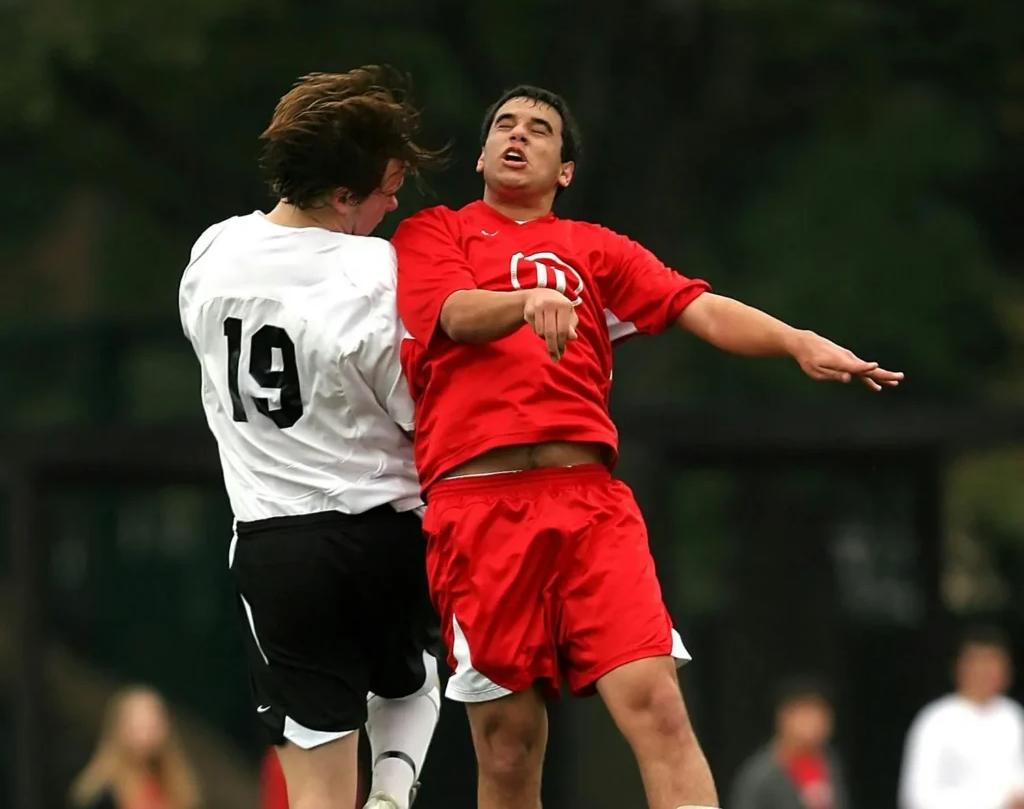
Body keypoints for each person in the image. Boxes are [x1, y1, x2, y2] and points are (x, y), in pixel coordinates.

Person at [391, 84, 904, 809]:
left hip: (589, 507)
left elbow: (701, 307)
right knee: (507, 748)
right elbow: (456, 313)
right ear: (479, 154)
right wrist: (525, 303)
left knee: (659, 706)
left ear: (564, 170)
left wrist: (796, 341)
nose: (518, 135)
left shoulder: (594, 249)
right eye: (504, 124)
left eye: (540, 129)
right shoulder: (433, 232)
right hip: (479, 510)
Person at [178, 67, 446, 809]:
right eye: (387, 190)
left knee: (316, 787)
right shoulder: (374, 272)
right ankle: (392, 794)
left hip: (277, 551)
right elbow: (415, 410)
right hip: (387, 533)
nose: (395, 205)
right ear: (341, 198)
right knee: (418, 677)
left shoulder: (211, 255)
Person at [898, 624, 1024, 809]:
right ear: (961, 667)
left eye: (995, 663)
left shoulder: (1014, 716)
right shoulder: (936, 721)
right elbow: (917, 797)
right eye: (980, 663)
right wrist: (994, 801)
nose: (987, 672)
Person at [69, 685, 201, 809]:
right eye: (139, 725)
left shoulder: (178, 788)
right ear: (119, 728)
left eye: (152, 724)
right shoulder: (101, 794)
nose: (146, 734)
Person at [730, 677, 849, 809]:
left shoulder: (829, 762)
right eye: (806, 714)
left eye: (822, 713)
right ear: (784, 718)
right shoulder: (761, 775)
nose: (816, 723)